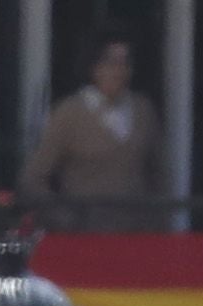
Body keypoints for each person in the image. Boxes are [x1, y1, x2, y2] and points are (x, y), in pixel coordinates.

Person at [27, 33, 169, 208]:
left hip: (137, 231)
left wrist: (158, 221)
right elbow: (34, 178)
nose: (120, 69)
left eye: (126, 62)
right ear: (93, 67)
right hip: (87, 230)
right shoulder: (69, 113)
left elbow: (159, 174)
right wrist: (62, 218)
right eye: (111, 62)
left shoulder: (143, 110)